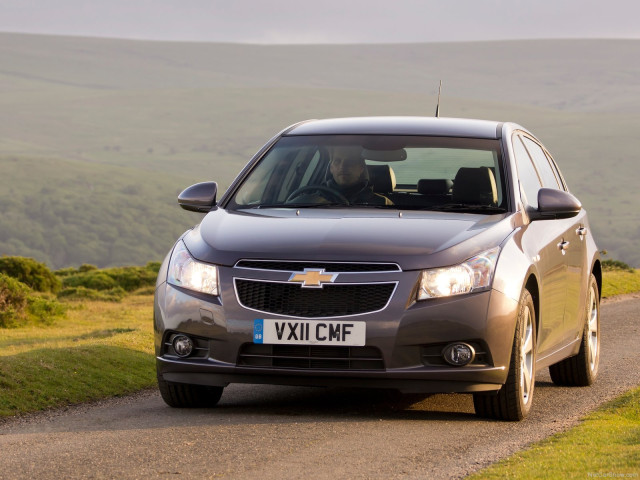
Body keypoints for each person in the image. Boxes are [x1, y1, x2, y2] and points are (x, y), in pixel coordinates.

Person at [325, 145, 392, 205]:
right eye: (337, 161)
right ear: (331, 168)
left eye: (350, 162)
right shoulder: (317, 199)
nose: (342, 166)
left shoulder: (383, 203)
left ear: (361, 168)